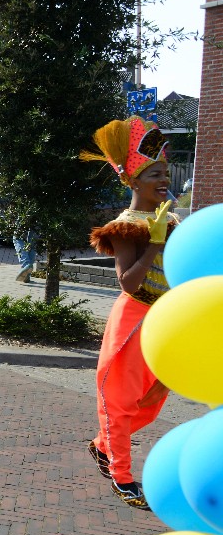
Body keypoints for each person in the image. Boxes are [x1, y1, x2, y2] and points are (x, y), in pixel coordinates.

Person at [81, 116, 179, 510]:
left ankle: (103, 444)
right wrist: (154, 244)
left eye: (166, 172)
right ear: (133, 180)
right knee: (121, 402)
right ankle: (122, 475)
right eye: (155, 173)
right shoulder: (126, 226)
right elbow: (127, 282)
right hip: (134, 321)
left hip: (168, 320)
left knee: (153, 398)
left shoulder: (171, 219)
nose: (164, 179)